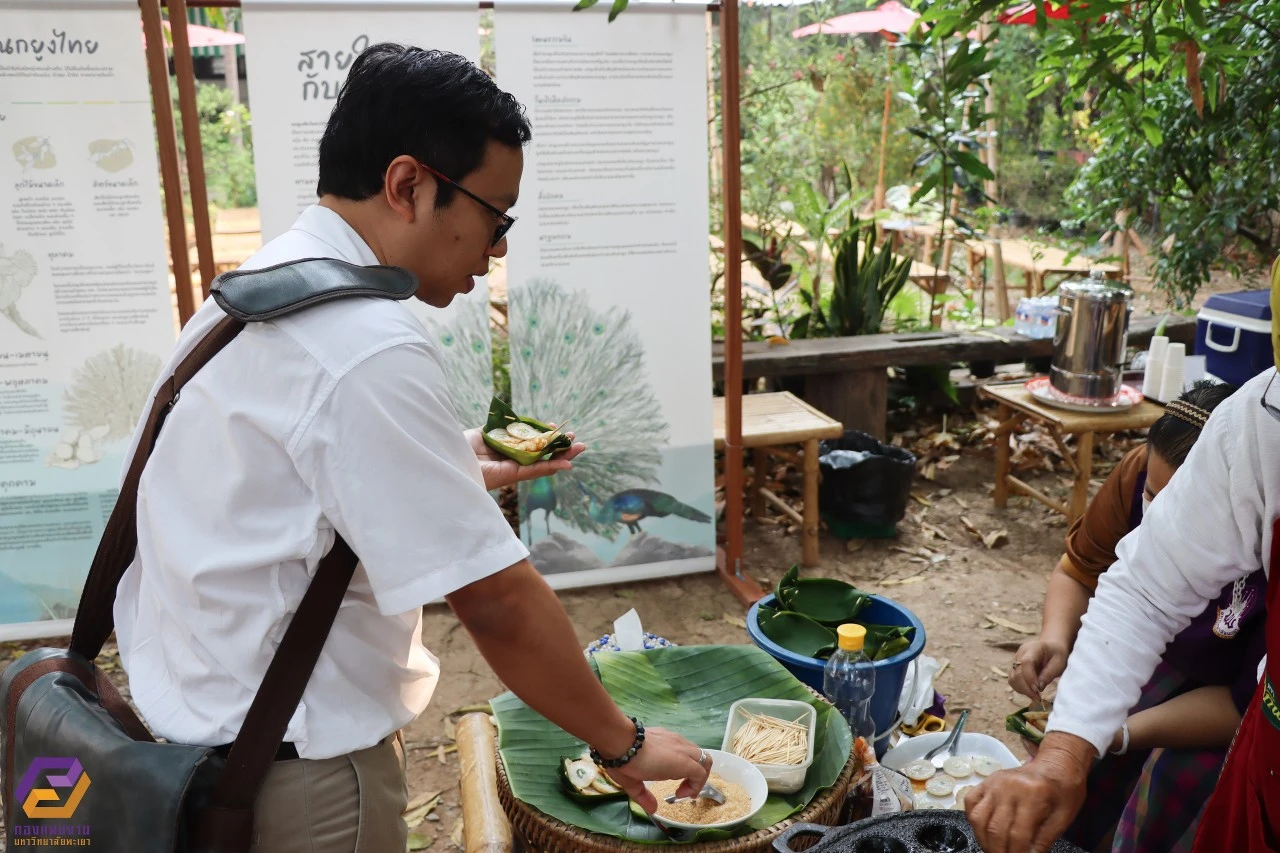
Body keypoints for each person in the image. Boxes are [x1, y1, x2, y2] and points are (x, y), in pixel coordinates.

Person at [113, 44, 709, 852]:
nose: (497, 249)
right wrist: (626, 741)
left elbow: (285, 487)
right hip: (298, 778)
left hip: (201, 737)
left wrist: (450, 462)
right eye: (495, 217)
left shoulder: (251, 291)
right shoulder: (367, 344)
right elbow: (496, 599)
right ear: (408, 185)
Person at [966, 358, 1280, 853]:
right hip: (1165, 660)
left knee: (1169, 778)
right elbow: (1105, 580)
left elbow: (1246, 701)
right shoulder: (1184, 457)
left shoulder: (1260, 528)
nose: (1159, 514)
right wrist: (1056, 645)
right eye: (1153, 497)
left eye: (1174, 500)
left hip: (1231, 696)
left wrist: (1118, 734)